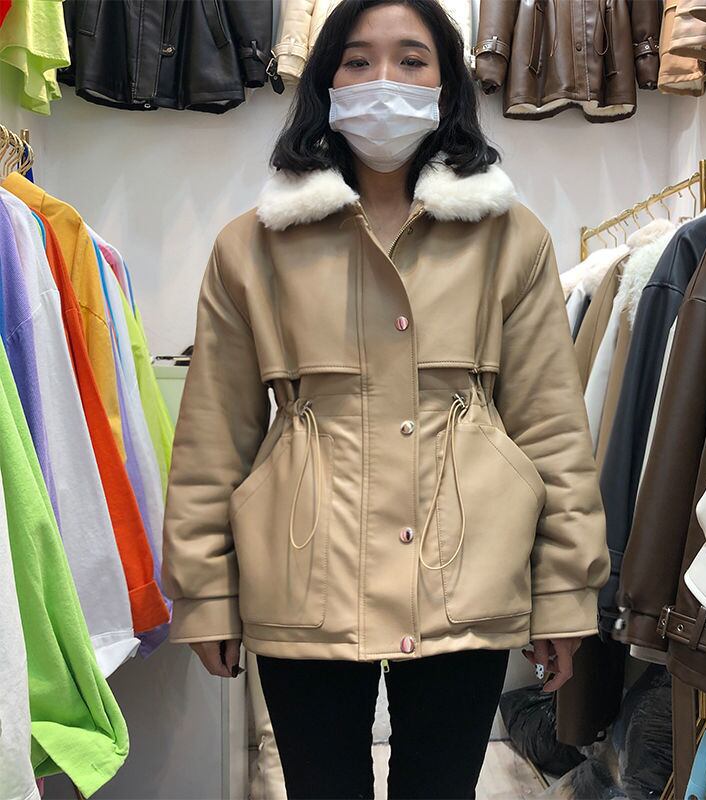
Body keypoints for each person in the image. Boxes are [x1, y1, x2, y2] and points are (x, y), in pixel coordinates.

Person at [161, 1, 610, 797]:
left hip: (467, 575)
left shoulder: (513, 239)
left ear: (447, 84)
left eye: (411, 59)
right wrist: (206, 592)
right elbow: (212, 438)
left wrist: (564, 591)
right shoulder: (252, 247)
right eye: (358, 60)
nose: (384, 80)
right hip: (304, 577)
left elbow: (552, 428)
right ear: (325, 81)